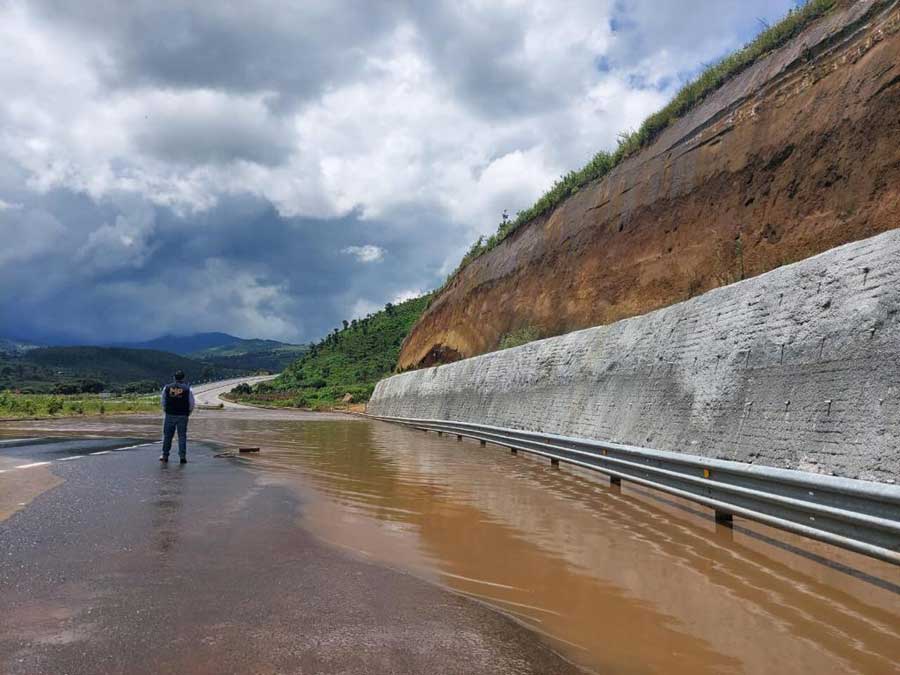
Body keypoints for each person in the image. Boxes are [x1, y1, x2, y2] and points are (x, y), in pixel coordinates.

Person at [160, 370, 195, 464]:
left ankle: (165, 455)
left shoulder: (167, 388)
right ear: (183, 378)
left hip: (170, 415)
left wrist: (166, 411)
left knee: (167, 436)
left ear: (174, 378)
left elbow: (163, 402)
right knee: (182, 436)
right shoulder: (188, 389)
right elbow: (191, 404)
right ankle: (182, 457)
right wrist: (188, 413)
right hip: (183, 415)